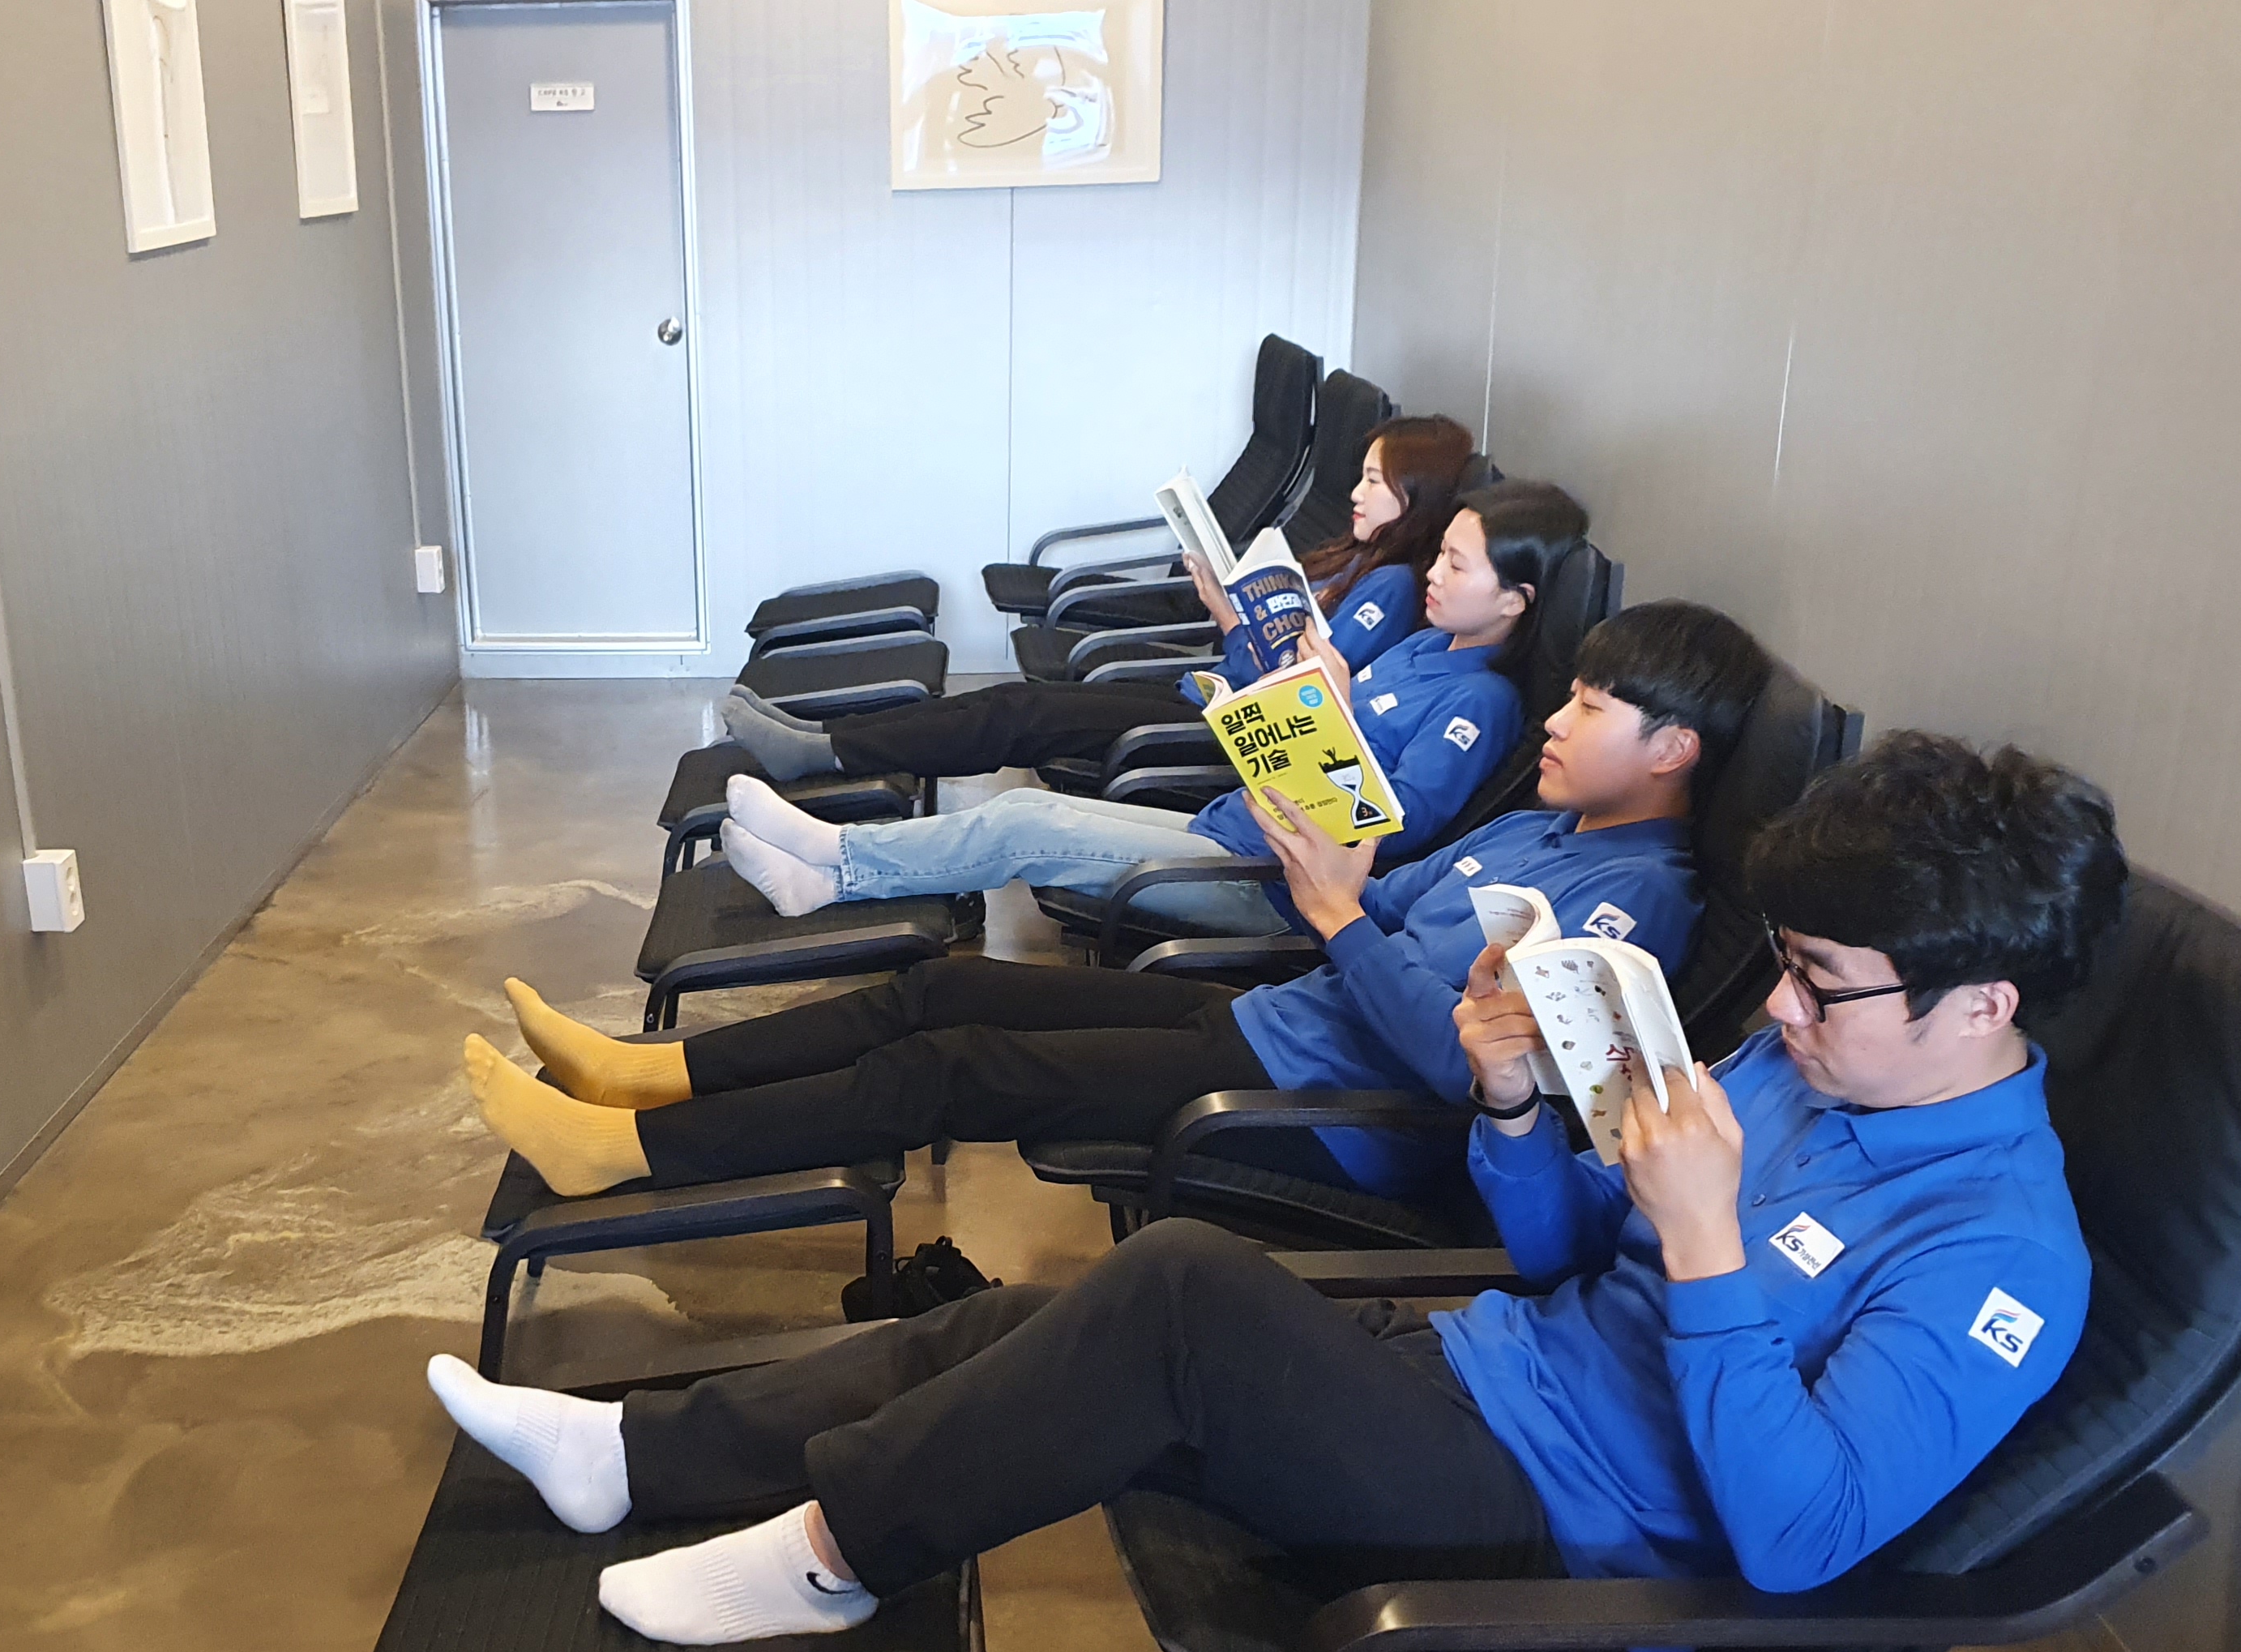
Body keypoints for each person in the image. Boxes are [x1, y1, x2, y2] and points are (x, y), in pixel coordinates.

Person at [428, 732, 2123, 1652]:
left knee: (1179, 1284)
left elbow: (1798, 1536)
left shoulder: (2004, 1258)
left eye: (1825, 984)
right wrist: (1514, 1109)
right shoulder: (1804, 1071)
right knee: (1022, 1321)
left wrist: (1705, 1242)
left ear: (1983, 1001)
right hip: (1468, 1378)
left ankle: (830, 1558)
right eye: (1791, 977)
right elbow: (1558, 1255)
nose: (1787, 1012)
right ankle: (634, 1456)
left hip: (1566, 1538)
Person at [464, 600, 1769, 1199]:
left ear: (1674, 749)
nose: (1556, 722)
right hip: (1279, 1021)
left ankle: (626, 1154)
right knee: (940, 989)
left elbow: (1459, 1064)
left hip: (1337, 1112)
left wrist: (1336, 917)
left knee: (956, 1067)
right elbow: (1390, 905)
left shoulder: (1636, 909)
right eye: (1567, 696)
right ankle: (651, 1077)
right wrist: (1336, 885)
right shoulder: (1546, 825)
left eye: (1592, 708)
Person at [710, 480, 1587, 940]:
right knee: (1024, 807)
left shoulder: (1483, 703)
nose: (1433, 574)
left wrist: (1336, 714)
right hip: (1233, 824)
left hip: (1274, 884)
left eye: (1458, 566)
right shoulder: (1427, 649)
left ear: (1517, 599)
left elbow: (1393, 828)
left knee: (1020, 821)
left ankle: (837, 860)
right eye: (1440, 556)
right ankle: (828, 872)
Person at [717, 417, 1480, 788]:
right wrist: (1230, 607)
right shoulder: (1361, 559)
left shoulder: (1392, 588)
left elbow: (1297, 696)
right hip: (1209, 695)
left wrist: (1227, 617)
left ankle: (827, 751)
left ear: (1416, 494)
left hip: (1227, 731)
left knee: (1019, 714)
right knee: (1012, 704)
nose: (1355, 492)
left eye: (1374, 481)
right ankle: (826, 737)